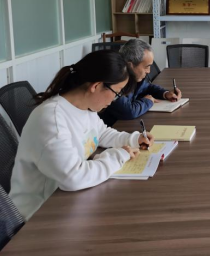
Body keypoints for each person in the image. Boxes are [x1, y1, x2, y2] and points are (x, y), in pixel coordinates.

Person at [9, 50, 154, 221]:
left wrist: (133, 139)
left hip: (68, 202)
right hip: (38, 216)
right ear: (96, 86)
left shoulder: (85, 108)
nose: (115, 100)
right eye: (117, 93)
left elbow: (101, 133)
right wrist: (118, 156)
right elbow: (74, 177)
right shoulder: (51, 119)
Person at [100, 39, 182, 127]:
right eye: (147, 67)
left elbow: (147, 87)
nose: (149, 71)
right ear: (130, 65)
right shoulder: (115, 81)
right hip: (114, 128)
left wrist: (165, 94)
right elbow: (128, 111)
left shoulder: (134, 77)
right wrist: (148, 101)